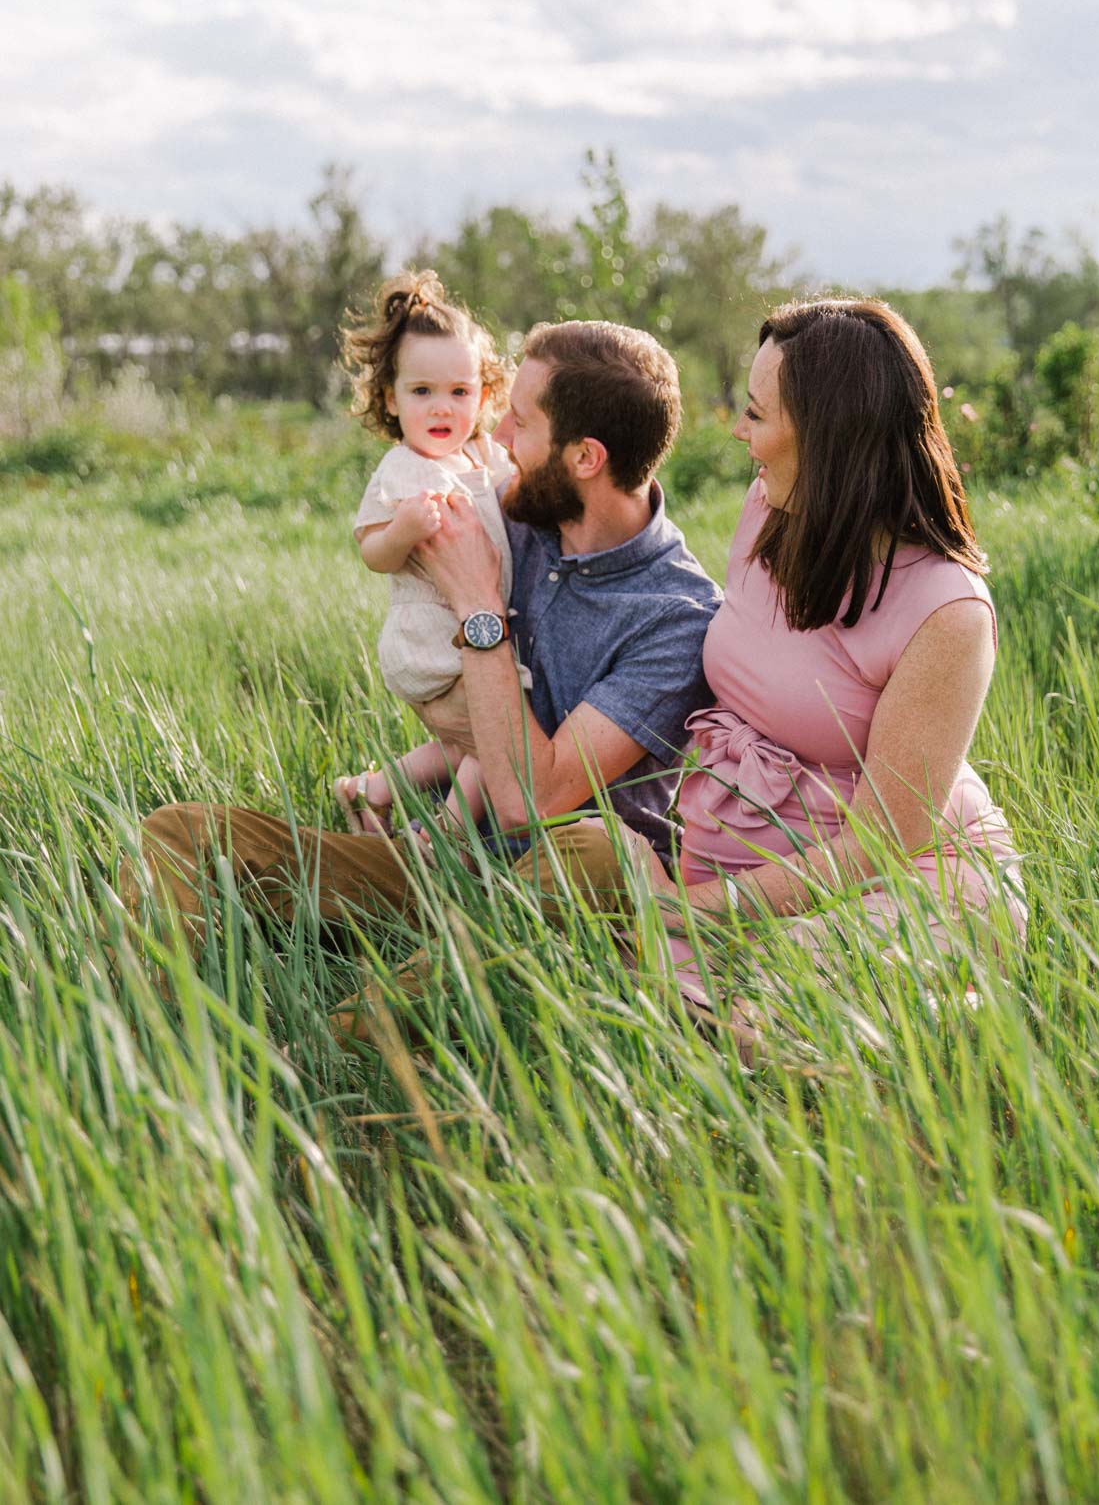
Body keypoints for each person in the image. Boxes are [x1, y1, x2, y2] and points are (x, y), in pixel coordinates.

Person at [124, 320, 723, 1015]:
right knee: (182, 834)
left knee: (596, 850)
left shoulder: (677, 616)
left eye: (520, 424)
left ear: (585, 457)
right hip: (443, 863)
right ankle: (148, 1041)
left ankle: (333, 1049)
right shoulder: (512, 517)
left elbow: (531, 800)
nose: (495, 440)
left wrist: (478, 607)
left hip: (558, 899)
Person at [555, 297, 1027, 1014]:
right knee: (598, 982)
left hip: (908, 881)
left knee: (750, 1011)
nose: (740, 433)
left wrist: (685, 910)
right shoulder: (767, 511)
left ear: (828, 437)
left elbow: (882, 843)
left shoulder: (947, 612)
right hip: (743, 877)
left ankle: (942, 1019)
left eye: (756, 414)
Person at [331, 268, 515, 841]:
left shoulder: (481, 459)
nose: (442, 409)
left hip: (469, 638)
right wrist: (404, 531)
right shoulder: (403, 469)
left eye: (459, 392)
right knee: (502, 738)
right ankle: (445, 842)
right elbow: (372, 552)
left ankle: (373, 790)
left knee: (462, 744)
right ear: (391, 398)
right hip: (432, 642)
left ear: (483, 396)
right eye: (422, 392)